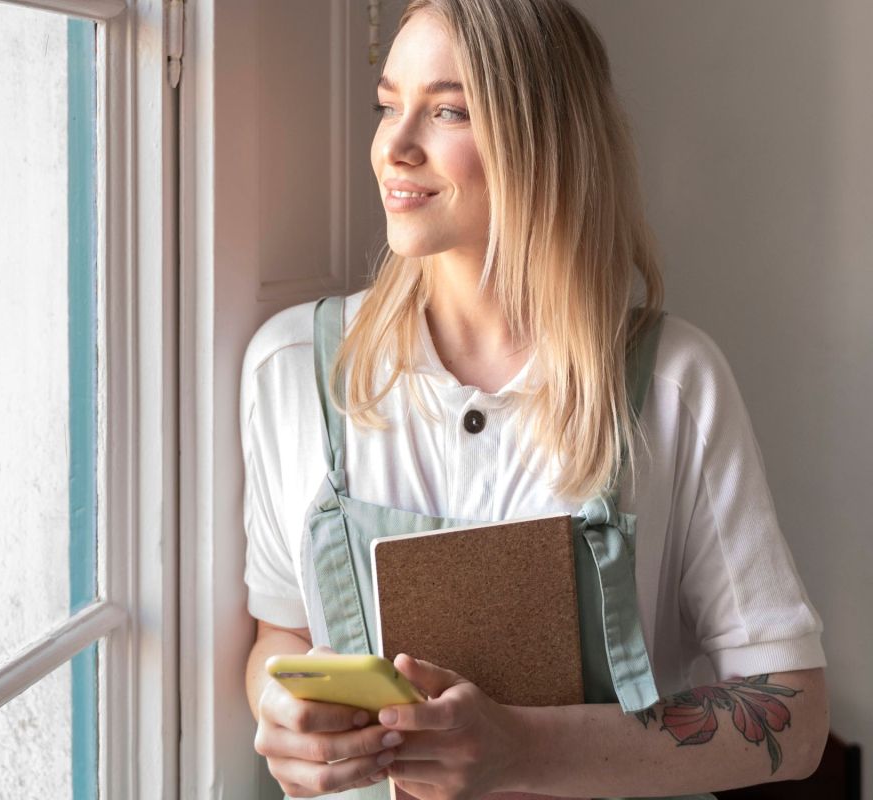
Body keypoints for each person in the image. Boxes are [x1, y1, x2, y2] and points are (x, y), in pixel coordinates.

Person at [240, 1, 829, 798]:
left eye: (446, 110)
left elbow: (793, 715)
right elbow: (284, 632)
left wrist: (524, 748)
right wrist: (281, 713)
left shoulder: (672, 384)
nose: (394, 147)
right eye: (387, 106)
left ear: (545, 140)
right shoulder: (290, 371)